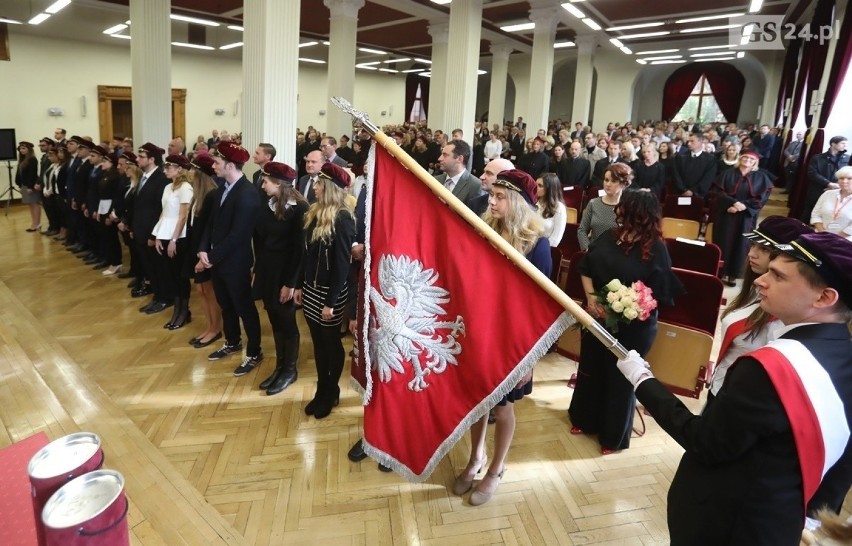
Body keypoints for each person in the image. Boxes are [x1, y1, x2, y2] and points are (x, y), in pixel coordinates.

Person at [615, 231, 852, 546]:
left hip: (727, 524)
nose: (759, 281)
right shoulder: (842, 353)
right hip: (781, 520)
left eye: (778, 276)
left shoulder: (769, 368)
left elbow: (704, 441)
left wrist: (643, 381)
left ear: (824, 298)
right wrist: (815, 511)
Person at [452, 169, 551, 506]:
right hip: (482, 333)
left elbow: (540, 307)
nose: (490, 201)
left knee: (504, 406)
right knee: (478, 402)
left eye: (499, 197)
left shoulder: (538, 245)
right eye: (491, 195)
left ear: (519, 203)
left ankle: (496, 468)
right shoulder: (484, 229)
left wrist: (530, 357)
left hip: (514, 340)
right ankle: (476, 457)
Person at [568, 190, 682, 454]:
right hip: (598, 317)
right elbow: (585, 268)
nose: (617, 211)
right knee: (591, 368)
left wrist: (634, 304)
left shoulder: (656, 248)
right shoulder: (610, 236)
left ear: (637, 213)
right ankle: (584, 420)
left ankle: (612, 436)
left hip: (635, 325)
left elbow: (659, 293)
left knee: (620, 379)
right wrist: (591, 299)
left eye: (623, 208)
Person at [707, 216, 813, 405]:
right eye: (753, 245)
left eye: (763, 249)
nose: (751, 254)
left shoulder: (783, 312)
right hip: (721, 385)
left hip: (740, 400)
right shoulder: (755, 289)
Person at [294, 163, 355, 419]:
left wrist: (331, 303)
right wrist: (299, 284)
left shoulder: (342, 218)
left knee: (330, 343)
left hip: (330, 293)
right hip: (311, 288)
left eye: (319, 183)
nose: (315, 187)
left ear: (329, 187)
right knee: (317, 343)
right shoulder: (314, 213)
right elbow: (304, 256)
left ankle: (331, 390)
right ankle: (322, 389)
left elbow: (342, 266)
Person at [198, 142, 263, 376]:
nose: (213, 165)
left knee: (244, 307)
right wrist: (203, 250)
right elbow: (210, 224)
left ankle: (254, 352)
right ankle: (233, 341)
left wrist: (211, 257)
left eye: (217, 162)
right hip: (216, 260)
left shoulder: (247, 194)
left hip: (235, 262)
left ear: (231, 165)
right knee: (225, 304)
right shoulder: (220, 189)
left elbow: (239, 234)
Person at [254, 162, 308, 395]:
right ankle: (279, 366)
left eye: (266, 181)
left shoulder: (299, 208)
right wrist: (256, 268)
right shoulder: (268, 204)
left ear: (278, 183)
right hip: (267, 271)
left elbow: (299, 250)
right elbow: (261, 240)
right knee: (274, 318)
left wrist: (291, 283)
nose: (262, 184)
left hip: (285, 274)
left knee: (286, 321)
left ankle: (290, 369)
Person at [711, 150, 774, 286]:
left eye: (751, 159)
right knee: (723, 241)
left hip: (746, 216)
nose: (748, 161)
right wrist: (732, 203)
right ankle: (720, 272)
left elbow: (762, 198)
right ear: (740, 159)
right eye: (745, 158)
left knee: (741, 244)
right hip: (727, 213)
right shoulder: (728, 173)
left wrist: (743, 206)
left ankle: (734, 274)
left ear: (755, 162)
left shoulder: (761, 177)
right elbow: (717, 192)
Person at [152, 154, 194, 330]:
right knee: (170, 275)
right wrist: (157, 235)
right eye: (166, 167)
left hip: (179, 236)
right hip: (166, 232)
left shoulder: (185, 187)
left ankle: (184, 311)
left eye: (169, 167)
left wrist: (173, 240)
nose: (166, 170)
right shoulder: (168, 187)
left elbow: (183, 216)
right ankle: (177, 311)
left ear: (179, 169)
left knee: (180, 276)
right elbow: (164, 212)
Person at [185, 155, 223, 349]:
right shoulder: (197, 194)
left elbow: (211, 229)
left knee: (209, 291)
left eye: (192, 169)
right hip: (196, 250)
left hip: (206, 254)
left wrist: (203, 255)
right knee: (201, 290)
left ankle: (215, 329)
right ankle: (209, 326)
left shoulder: (211, 195)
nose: (189, 172)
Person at [578, 163, 632, 250]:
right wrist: (587, 249)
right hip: (593, 253)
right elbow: (582, 230)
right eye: (606, 180)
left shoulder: (628, 207)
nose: (608, 184)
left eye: (613, 181)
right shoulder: (593, 203)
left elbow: (631, 235)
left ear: (623, 184)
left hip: (617, 255)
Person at [809, 165, 852, 240]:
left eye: (849, 178)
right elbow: (816, 214)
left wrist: (832, 239)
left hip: (845, 241)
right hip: (819, 235)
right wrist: (822, 233)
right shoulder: (827, 194)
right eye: (841, 178)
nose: (844, 181)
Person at [434, 139, 481, 204]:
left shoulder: (475, 186)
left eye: (445, 155)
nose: (439, 158)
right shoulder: (435, 180)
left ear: (459, 159)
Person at [672, 133, 717, 197]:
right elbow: (676, 174)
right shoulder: (680, 157)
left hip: (699, 194)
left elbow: (708, 178)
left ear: (700, 142)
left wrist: (693, 191)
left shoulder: (710, 159)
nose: (688, 144)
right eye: (688, 141)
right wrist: (683, 189)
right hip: (680, 193)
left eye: (692, 141)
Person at [16, 141, 41, 232]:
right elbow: (19, 174)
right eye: (20, 149)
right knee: (29, 204)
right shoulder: (22, 160)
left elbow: (32, 174)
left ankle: (37, 223)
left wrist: (30, 186)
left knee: (34, 204)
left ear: (29, 150)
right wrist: (19, 184)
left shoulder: (32, 159)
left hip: (30, 186)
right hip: (24, 185)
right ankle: (34, 222)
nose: (21, 150)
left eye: (24, 148)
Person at [536, 173, 567, 246]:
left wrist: (541, 248)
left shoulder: (559, 208)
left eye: (540, 186)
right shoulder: (535, 202)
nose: (535, 187)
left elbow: (556, 238)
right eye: (535, 184)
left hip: (545, 249)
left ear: (549, 189)